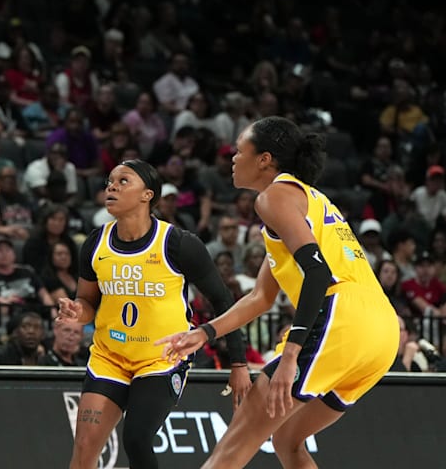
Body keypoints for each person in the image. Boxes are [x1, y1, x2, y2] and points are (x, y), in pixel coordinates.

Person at [157, 116, 399, 469]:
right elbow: (261, 298)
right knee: (287, 440)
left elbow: (318, 274)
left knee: (231, 449)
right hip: (380, 333)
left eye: (239, 151)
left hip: (342, 319)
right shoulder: (307, 202)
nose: (233, 159)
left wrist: (290, 357)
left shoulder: (274, 197)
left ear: (265, 159)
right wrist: (205, 332)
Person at [56, 159, 250, 469]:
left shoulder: (178, 244)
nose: (111, 187)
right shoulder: (96, 242)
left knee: (136, 438)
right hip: (110, 356)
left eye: (123, 181)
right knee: (84, 448)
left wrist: (238, 362)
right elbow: (87, 303)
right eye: (109, 181)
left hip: (162, 358)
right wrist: (76, 312)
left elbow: (224, 301)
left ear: (147, 195)